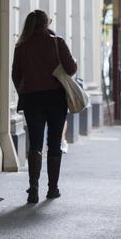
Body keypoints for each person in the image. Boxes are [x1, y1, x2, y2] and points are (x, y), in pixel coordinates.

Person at [12, 10, 77, 204]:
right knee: (54, 142)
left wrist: (24, 90)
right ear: (46, 23)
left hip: (31, 99)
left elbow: (16, 74)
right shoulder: (57, 42)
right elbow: (71, 69)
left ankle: (33, 189)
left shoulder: (21, 46)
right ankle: (52, 189)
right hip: (56, 98)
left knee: (35, 144)